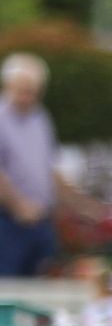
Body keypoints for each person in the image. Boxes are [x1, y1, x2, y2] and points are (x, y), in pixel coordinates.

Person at [0, 53, 97, 277]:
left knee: (44, 284)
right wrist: (19, 206)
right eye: (23, 90)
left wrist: (80, 203)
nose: (28, 96)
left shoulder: (40, 118)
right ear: (8, 85)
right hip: (7, 222)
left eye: (33, 91)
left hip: (41, 221)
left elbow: (49, 168)